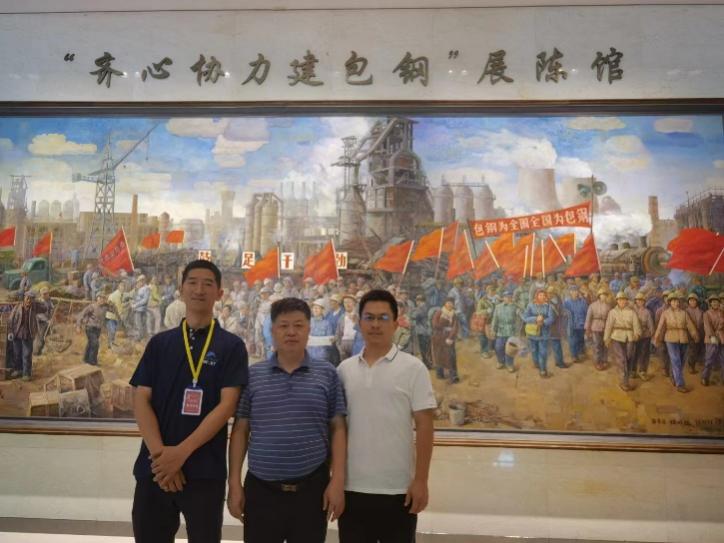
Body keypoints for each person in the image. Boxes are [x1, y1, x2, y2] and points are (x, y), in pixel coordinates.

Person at [130, 260, 248, 543]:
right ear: (181, 290)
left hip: (204, 472)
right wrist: (162, 458)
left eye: (208, 284)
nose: (199, 289)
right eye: (192, 282)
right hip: (155, 470)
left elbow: (227, 406)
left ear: (219, 293)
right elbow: (140, 399)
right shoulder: (160, 344)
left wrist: (180, 454)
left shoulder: (231, 346)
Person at [228, 297, 346, 542]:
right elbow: (240, 430)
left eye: (298, 325)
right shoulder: (253, 375)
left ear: (308, 329)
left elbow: (338, 428)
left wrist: (337, 481)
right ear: (272, 330)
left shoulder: (327, 374)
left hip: (312, 491)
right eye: (283, 325)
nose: (291, 332)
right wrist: (234, 484)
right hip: (261, 492)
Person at [337, 289, 436, 543]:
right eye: (369, 318)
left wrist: (421, 480)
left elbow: (425, 426)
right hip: (352, 489)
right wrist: (335, 480)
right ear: (359, 323)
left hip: (399, 490)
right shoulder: (344, 370)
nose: (375, 325)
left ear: (395, 323)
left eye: (383, 318)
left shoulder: (414, 368)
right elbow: (338, 429)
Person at [653, 293, 699, 393]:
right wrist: (656, 338)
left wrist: (695, 336)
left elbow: (690, 326)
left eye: (677, 301)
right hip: (670, 338)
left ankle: (673, 376)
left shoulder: (684, 313)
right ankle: (680, 384)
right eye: (673, 301)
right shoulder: (665, 313)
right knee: (675, 360)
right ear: (670, 302)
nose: (676, 303)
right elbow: (660, 326)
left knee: (681, 361)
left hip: (683, 338)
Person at [604, 291, 642, 391]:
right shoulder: (612, 312)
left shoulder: (632, 312)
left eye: (624, 300)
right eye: (620, 300)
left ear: (626, 301)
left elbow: (636, 325)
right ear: (617, 301)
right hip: (616, 337)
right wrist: (606, 338)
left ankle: (626, 377)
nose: (622, 302)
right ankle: (624, 382)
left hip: (629, 337)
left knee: (629, 358)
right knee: (622, 359)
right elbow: (608, 326)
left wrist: (637, 334)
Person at [8, 291, 47, 381]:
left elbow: (45, 309)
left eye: (31, 299)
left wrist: (38, 301)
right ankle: (18, 370)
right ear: (24, 298)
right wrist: (10, 332)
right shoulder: (17, 307)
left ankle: (26, 374)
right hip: (17, 334)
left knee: (27, 355)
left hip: (28, 334)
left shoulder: (35, 307)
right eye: (27, 298)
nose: (29, 300)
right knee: (17, 353)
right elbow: (10, 320)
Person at [76, 292, 115, 366]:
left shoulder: (105, 307)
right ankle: (92, 362)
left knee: (91, 343)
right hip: (90, 328)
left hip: (98, 329)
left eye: (103, 298)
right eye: (100, 298)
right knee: (95, 344)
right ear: (97, 298)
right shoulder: (92, 306)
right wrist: (78, 326)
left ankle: (86, 359)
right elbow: (81, 315)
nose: (102, 300)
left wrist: (111, 304)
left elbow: (113, 311)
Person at [523, 289, 555, 378]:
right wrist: (535, 319)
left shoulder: (548, 306)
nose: (542, 297)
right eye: (540, 295)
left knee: (543, 352)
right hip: (532, 333)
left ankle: (543, 369)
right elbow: (525, 317)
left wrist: (543, 321)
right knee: (534, 350)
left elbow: (551, 318)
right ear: (536, 296)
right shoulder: (530, 305)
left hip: (544, 333)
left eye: (544, 295)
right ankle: (536, 363)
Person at [431, 297, 460, 383]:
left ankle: (453, 376)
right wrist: (444, 325)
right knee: (439, 355)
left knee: (451, 356)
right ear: (445, 304)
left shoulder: (454, 314)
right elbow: (434, 324)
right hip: (438, 337)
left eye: (451, 303)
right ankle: (439, 373)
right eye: (448, 303)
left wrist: (450, 337)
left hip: (448, 338)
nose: (450, 305)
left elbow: (455, 327)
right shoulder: (439, 312)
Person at [490, 289, 518, 372]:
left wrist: (517, 331)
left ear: (512, 298)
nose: (508, 299)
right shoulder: (498, 307)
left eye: (510, 297)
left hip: (511, 331)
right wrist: (493, 329)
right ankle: (500, 361)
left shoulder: (515, 307)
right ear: (503, 298)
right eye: (506, 297)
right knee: (498, 347)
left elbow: (519, 319)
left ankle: (509, 364)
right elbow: (495, 319)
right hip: (501, 331)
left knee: (510, 349)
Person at [585, 288, 612, 370]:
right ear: (599, 296)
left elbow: (610, 318)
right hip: (595, 327)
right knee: (597, 345)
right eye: (602, 295)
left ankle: (604, 360)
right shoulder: (592, 305)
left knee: (605, 345)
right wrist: (587, 329)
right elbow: (588, 318)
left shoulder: (608, 306)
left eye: (605, 295)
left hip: (605, 327)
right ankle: (597, 361)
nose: (604, 297)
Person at [632, 292, 655, 381]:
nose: (639, 302)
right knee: (634, 353)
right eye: (638, 300)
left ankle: (642, 371)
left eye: (641, 300)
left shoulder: (647, 312)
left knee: (644, 353)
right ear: (635, 301)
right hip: (635, 335)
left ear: (644, 302)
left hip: (645, 336)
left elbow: (650, 324)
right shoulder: (632, 311)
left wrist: (652, 333)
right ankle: (633, 371)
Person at [701, 293, 723, 386]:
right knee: (709, 359)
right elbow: (707, 327)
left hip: (722, 338)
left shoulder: (722, 313)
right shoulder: (706, 314)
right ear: (710, 303)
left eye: (716, 301)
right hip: (711, 339)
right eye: (713, 302)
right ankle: (705, 377)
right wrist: (713, 337)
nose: (715, 303)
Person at [563, 285, 588, 363]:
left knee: (581, 339)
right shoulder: (566, 302)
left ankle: (580, 351)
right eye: (572, 291)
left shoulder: (583, 302)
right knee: (572, 340)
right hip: (571, 324)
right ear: (570, 292)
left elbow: (586, 313)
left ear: (578, 292)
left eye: (576, 291)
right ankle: (574, 355)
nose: (574, 292)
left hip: (581, 324)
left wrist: (586, 323)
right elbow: (563, 313)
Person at [34, 286, 54, 355]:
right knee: (40, 337)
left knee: (46, 336)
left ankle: (41, 351)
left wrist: (51, 317)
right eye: (44, 294)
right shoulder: (39, 302)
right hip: (40, 322)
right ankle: (36, 352)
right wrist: (47, 320)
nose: (46, 295)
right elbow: (39, 314)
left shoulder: (49, 301)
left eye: (47, 293)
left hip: (47, 321)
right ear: (41, 294)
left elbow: (52, 308)